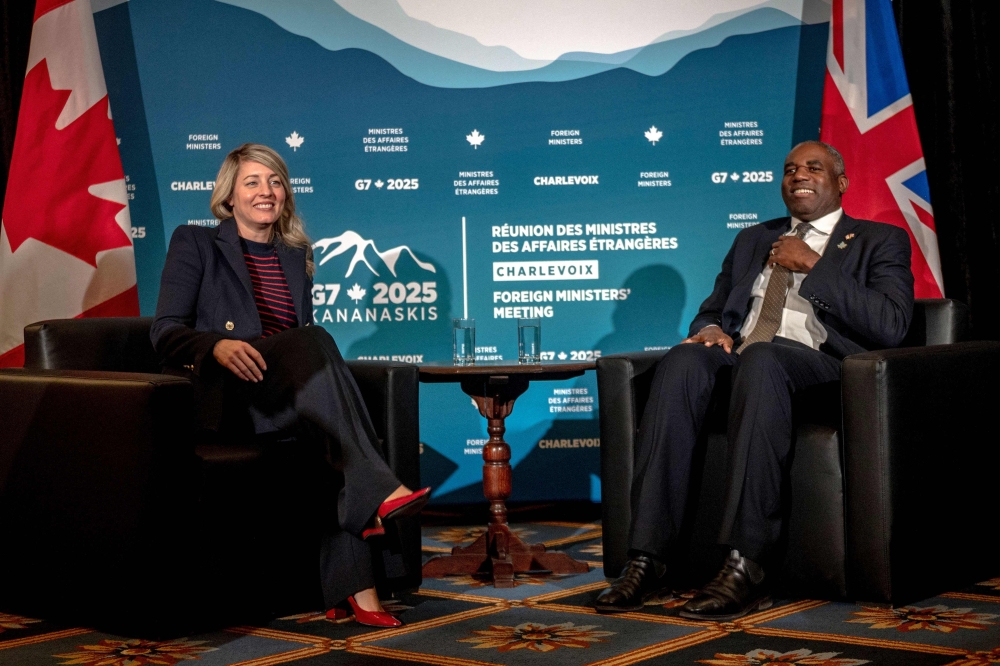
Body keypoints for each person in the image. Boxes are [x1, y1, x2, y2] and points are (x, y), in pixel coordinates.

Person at [594, 141, 914, 619]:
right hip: (744, 361)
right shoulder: (752, 239)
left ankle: (748, 562)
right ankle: (648, 557)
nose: (799, 175)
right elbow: (712, 308)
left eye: (813, 168)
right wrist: (709, 330)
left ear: (841, 182)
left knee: (764, 357)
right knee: (682, 361)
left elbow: (891, 325)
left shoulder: (878, 239)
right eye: (790, 169)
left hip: (822, 371)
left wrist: (812, 263)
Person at [151, 143, 430, 627]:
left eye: (275, 181)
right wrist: (214, 346)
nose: (266, 191)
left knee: (328, 425)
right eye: (253, 182)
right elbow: (164, 330)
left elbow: (301, 347)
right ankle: (376, 498)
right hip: (231, 397)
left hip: (283, 395)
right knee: (314, 343)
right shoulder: (195, 242)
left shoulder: (296, 254)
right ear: (230, 197)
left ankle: (355, 590)